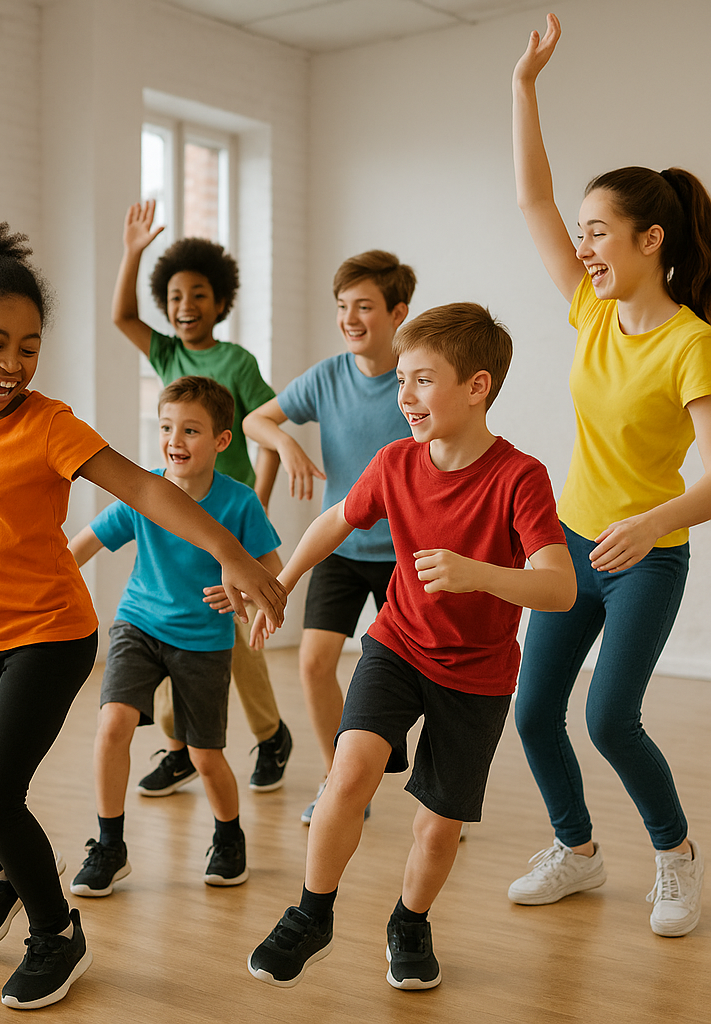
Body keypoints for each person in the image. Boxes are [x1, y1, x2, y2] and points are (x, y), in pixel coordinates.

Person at [0, 216, 286, 1011]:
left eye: (29, 346)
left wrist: (236, 555)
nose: (12, 363)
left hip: (52, 637)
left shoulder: (49, 424)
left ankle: (57, 933)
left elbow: (144, 489)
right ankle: (6, 871)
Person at [246, 303, 576, 991]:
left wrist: (476, 574)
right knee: (349, 772)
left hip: (479, 675)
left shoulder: (521, 477)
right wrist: (281, 582)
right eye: (401, 381)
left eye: (423, 381)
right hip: (397, 646)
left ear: (476, 386)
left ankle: (409, 922)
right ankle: (313, 914)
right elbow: (336, 519)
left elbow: (559, 588)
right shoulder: (395, 462)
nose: (405, 397)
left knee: (437, 829)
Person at [507, 13, 710, 937]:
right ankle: (578, 853)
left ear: (651, 240)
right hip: (568, 541)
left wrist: (655, 521)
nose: (584, 246)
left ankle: (674, 857)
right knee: (534, 709)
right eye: (582, 232)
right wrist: (525, 89)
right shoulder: (591, 313)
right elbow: (533, 203)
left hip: (648, 556)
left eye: (601, 233)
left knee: (609, 718)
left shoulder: (691, 344)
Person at [67, 376, 282, 896]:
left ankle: (229, 838)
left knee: (206, 757)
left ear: (221, 441)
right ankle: (109, 844)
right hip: (138, 624)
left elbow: (272, 576)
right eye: (166, 427)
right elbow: (79, 548)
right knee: (112, 724)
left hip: (203, 641)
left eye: (190, 430)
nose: (175, 440)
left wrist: (243, 599)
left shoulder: (240, 503)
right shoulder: (144, 494)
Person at [112, 199, 292, 796]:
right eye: (176, 297)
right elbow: (122, 317)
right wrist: (133, 252)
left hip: (228, 511)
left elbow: (266, 429)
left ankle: (269, 735)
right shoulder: (168, 354)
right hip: (176, 509)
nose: (185, 307)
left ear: (221, 302)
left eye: (198, 296)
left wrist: (255, 507)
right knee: (179, 634)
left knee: (235, 636)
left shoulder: (236, 362)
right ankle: (182, 746)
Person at [243, 251, 415, 822]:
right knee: (315, 663)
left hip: (406, 555)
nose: (350, 317)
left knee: (425, 676)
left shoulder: (414, 378)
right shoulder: (327, 376)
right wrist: (287, 442)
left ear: (398, 313)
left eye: (364, 306)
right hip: (341, 548)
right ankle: (338, 780)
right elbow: (255, 421)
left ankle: (435, 799)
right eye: (342, 307)